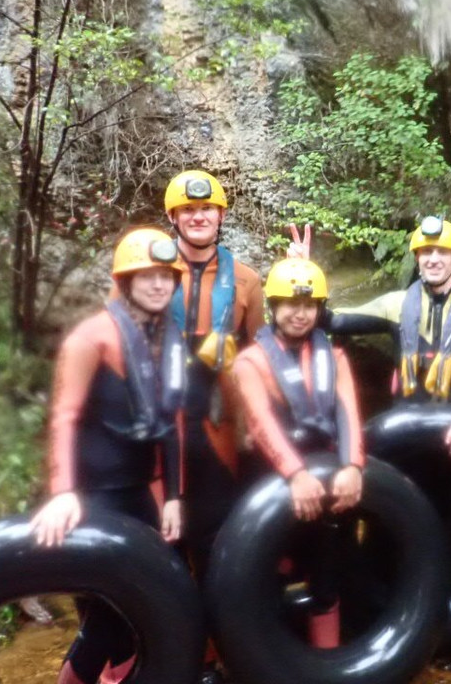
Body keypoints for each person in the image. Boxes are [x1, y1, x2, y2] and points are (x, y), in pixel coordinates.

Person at [31, 228, 185, 684]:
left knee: (135, 611)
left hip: (137, 494)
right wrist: (63, 491)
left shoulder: (167, 338)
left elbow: (171, 422)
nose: (158, 284)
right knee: (103, 615)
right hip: (93, 498)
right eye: (147, 276)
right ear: (125, 281)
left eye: (166, 276)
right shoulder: (92, 337)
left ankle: (117, 678)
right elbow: (64, 416)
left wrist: (173, 496)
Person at [325, 216, 451, 584]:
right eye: (425, 252)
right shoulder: (396, 303)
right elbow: (335, 321)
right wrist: (306, 275)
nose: (432, 259)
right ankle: (384, 604)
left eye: (441, 252)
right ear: (417, 258)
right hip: (403, 441)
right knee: (387, 529)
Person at [231, 257, 364, 649]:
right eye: (291, 304)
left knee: (327, 569)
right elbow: (261, 424)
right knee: (273, 570)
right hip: (269, 480)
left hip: (324, 475)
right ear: (273, 306)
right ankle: (270, 657)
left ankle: (326, 658)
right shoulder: (250, 362)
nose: (300, 313)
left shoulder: (334, 357)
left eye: (309, 305)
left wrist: (353, 465)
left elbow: (349, 414)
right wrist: (295, 473)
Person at [163, 169, 264, 684]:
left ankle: (224, 654)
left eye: (207, 209)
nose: (199, 216)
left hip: (220, 431)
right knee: (166, 547)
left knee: (216, 545)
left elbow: (263, 356)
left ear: (220, 214)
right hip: (163, 430)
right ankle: (180, 653)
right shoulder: (150, 272)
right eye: (189, 210)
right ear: (174, 217)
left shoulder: (246, 280)